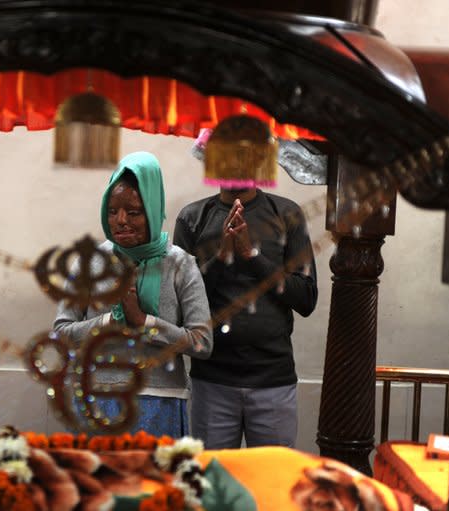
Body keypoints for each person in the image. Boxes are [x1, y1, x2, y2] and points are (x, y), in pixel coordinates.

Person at [54, 151, 213, 438]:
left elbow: (202, 343)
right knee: (99, 483)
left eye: (134, 212)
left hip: (159, 402)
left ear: (152, 210)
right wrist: (107, 324)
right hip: (95, 400)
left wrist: (145, 322)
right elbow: (62, 334)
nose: (121, 220)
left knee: (152, 483)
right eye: (112, 211)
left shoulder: (180, 264)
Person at [173, 178, 318, 449]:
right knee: (213, 483)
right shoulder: (192, 218)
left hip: (272, 380)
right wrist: (222, 257)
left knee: (271, 485)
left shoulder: (287, 215)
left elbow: (306, 298)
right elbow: (178, 304)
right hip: (212, 380)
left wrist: (252, 256)